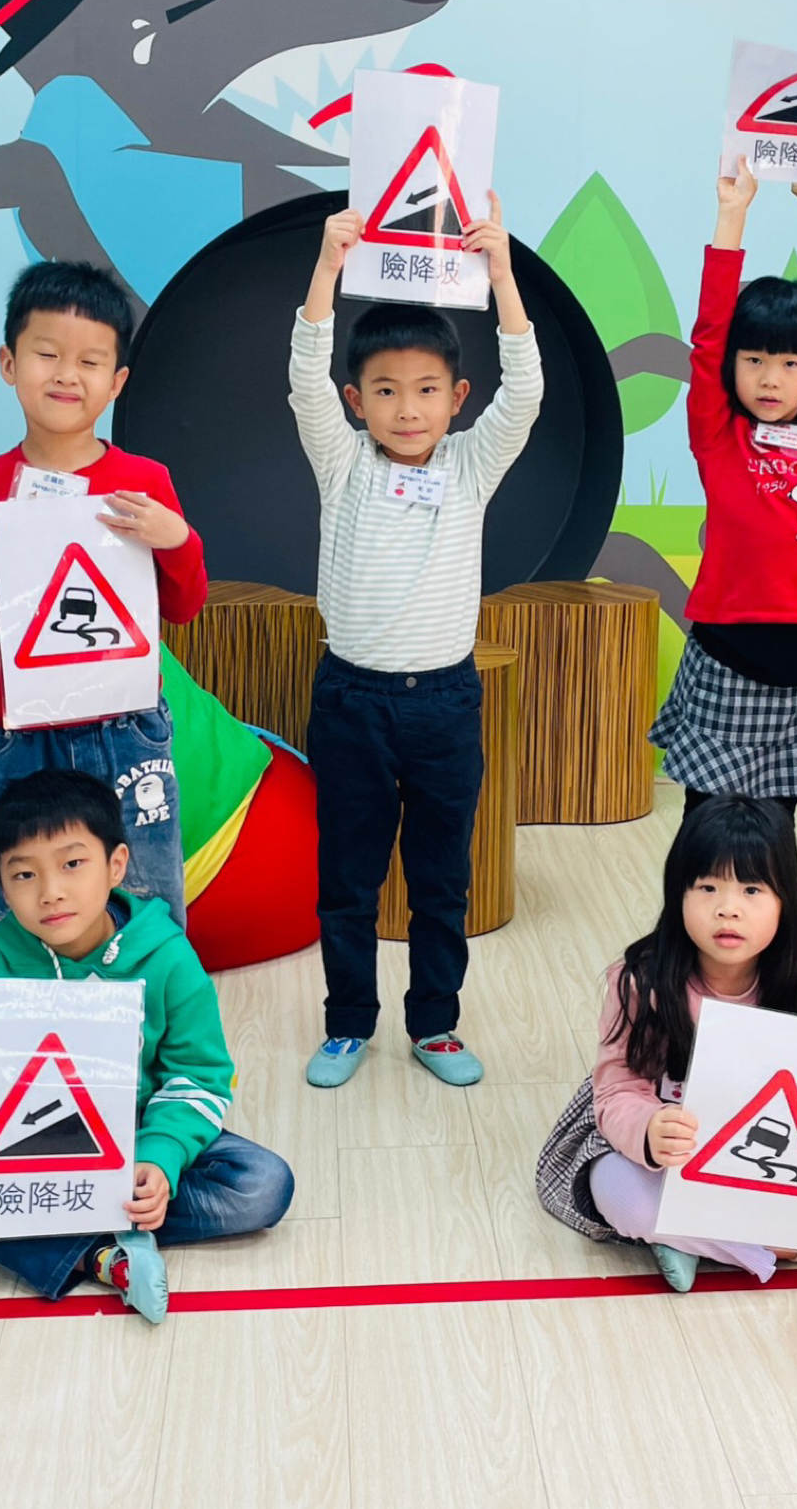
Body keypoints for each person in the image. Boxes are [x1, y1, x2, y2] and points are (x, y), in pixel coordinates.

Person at [0, 770, 292, 1321]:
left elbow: (198, 1077)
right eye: (24, 874)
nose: (51, 892)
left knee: (262, 1185)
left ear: (116, 865)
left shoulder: (168, 957)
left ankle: (1, 1233)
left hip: (137, 1138)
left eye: (73, 864)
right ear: (1, 886)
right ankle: (102, 1256)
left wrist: (160, 1159)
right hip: (29, 1153)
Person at [290, 195, 541, 1089]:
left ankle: (435, 1024)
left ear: (456, 398)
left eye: (427, 390)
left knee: (441, 882)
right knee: (348, 881)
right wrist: (328, 268)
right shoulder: (342, 461)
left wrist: (502, 273)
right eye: (387, 391)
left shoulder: (470, 465)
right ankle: (347, 1024)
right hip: (350, 700)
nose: (407, 409)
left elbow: (527, 393)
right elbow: (305, 371)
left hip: (444, 702)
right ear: (356, 401)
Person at [533, 795, 797, 1291]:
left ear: (786, 900)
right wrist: (649, 1128)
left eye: (752, 889)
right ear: (678, 893)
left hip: (769, 1159)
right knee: (617, 1191)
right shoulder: (641, 981)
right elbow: (617, 1089)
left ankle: (688, 1238)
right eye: (707, 887)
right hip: (676, 1159)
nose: (728, 909)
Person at [0, 260, 208, 934]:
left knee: (142, 892)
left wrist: (177, 539)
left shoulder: (145, 482)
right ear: (9, 363)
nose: (66, 375)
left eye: (89, 361)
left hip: (124, 726)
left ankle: (149, 999)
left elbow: (184, 605)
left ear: (117, 382)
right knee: (20, 901)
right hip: (19, 733)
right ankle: (30, 1002)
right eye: (47, 354)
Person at [647, 156, 797, 827]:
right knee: (710, 818)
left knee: (777, 821)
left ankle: (777, 907)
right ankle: (694, 904)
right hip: (729, 653)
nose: (770, 378)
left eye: (790, 362)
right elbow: (709, 337)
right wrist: (732, 216)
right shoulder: (719, 432)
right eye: (755, 360)